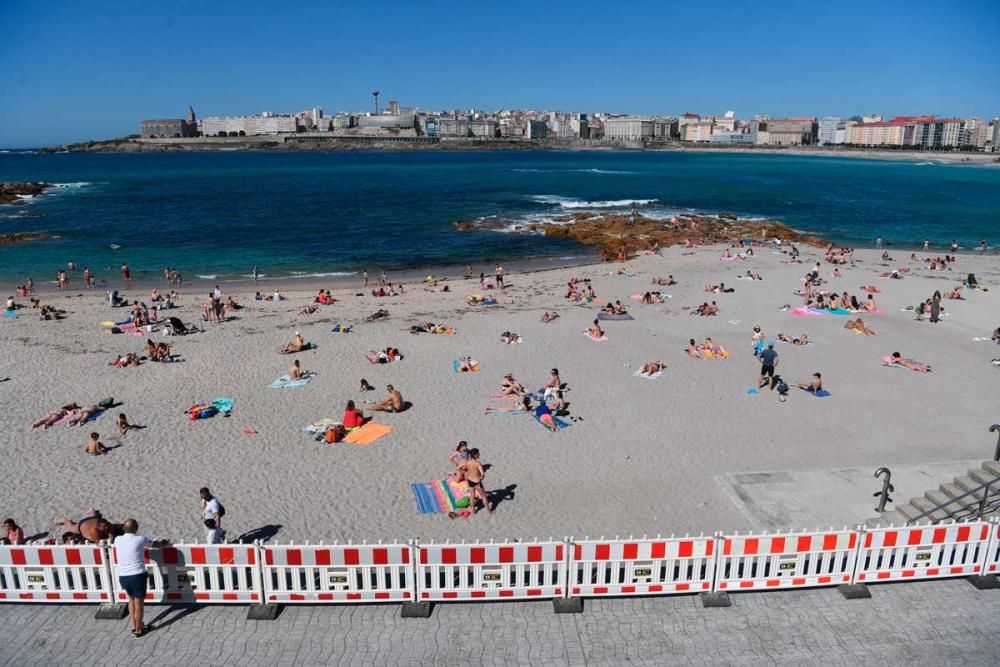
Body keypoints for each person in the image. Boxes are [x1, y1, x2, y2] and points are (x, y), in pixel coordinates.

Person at [114, 518, 153, 637]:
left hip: (123, 576)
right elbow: (154, 544)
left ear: (124, 529)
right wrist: (164, 543)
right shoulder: (140, 539)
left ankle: (133, 625)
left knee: (131, 600)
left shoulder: (117, 539)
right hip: (137, 575)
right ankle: (138, 629)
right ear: (136, 528)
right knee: (139, 603)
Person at [460, 449, 492, 514]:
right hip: (477, 482)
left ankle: (473, 511)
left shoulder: (468, 462)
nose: (479, 454)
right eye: (478, 453)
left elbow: (461, 468)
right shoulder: (478, 463)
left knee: (472, 496)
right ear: (475, 455)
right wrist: (482, 478)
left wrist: (467, 471)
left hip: (470, 480)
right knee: (484, 497)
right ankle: (489, 511)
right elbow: (482, 473)